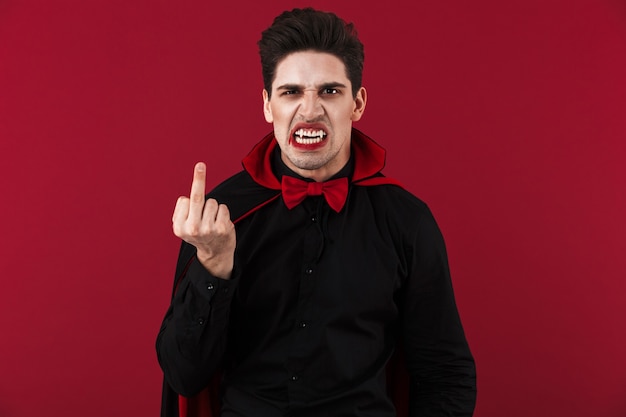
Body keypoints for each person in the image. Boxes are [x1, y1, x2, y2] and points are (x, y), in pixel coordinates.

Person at [156, 7, 476, 417]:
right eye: (291, 92)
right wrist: (212, 266)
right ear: (268, 105)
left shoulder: (406, 221)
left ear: (357, 103)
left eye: (329, 91)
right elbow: (183, 375)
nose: (309, 111)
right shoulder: (221, 216)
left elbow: (445, 372)